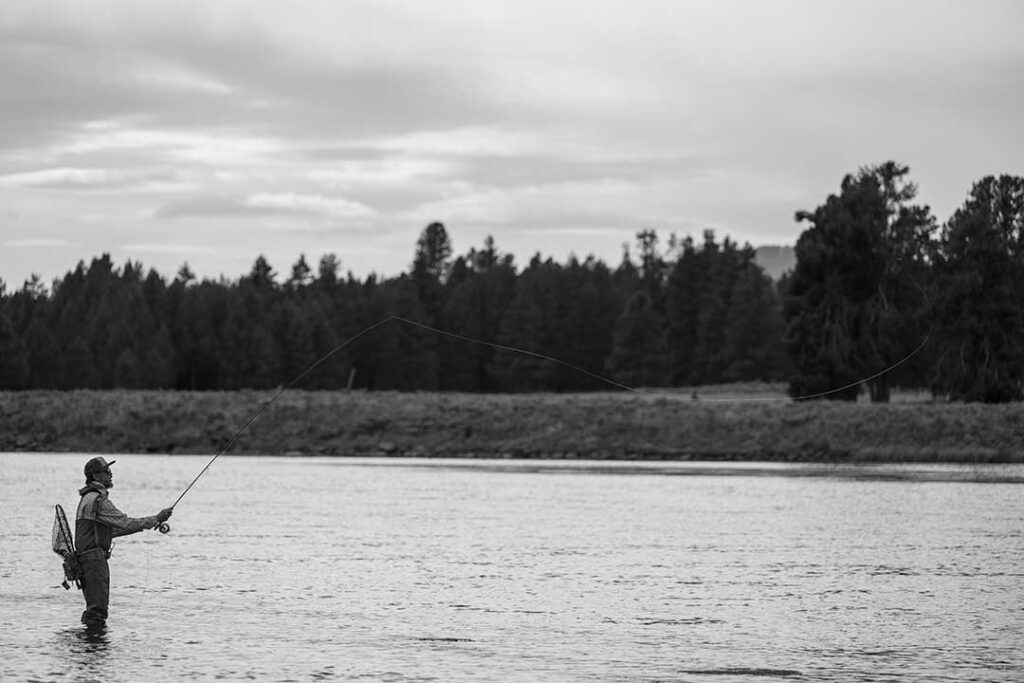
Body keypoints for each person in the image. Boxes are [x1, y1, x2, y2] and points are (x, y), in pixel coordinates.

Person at [75, 456, 173, 628]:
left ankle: (90, 648)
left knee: (95, 609)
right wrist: (155, 518)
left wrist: (150, 523)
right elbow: (124, 522)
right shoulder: (99, 501)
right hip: (94, 562)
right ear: (96, 477)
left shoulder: (87, 498)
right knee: (97, 612)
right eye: (106, 471)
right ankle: (94, 650)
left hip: (87, 561)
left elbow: (113, 530)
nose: (111, 474)